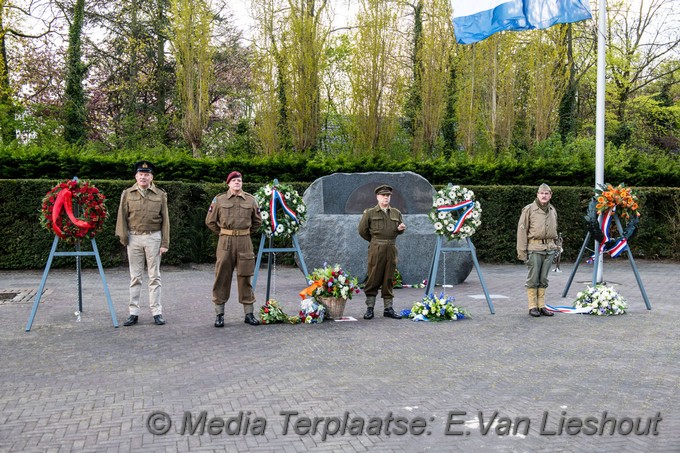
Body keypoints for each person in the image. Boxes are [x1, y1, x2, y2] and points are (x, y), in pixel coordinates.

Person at [115, 161, 170, 326]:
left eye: (147, 174)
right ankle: (133, 312)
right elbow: (122, 217)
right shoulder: (127, 193)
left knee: (155, 276)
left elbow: (166, 220)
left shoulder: (160, 194)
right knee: (135, 277)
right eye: (141, 174)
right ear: (136, 176)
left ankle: (157, 312)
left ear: (151, 177)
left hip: (154, 237)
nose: (143, 177)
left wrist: (165, 242)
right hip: (134, 238)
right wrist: (124, 238)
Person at [205, 171, 263, 327]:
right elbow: (210, 221)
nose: (237, 182)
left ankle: (249, 314)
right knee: (222, 276)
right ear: (228, 183)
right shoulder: (219, 200)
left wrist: (244, 233)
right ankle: (219, 314)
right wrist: (224, 233)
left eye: (239, 180)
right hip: (225, 242)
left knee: (245, 276)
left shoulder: (251, 200)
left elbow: (258, 222)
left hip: (245, 241)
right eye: (234, 180)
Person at [358, 184, 406, 320]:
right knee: (373, 277)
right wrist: (375, 241)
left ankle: (388, 308)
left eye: (388, 195)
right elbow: (362, 231)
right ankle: (370, 308)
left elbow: (399, 229)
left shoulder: (396, 213)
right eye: (383, 195)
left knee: (389, 278)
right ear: (377, 197)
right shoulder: (370, 213)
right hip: (376, 248)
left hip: (391, 248)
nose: (386, 197)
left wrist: (401, 229)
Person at [517, 183, 559, 317]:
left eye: (547, 193)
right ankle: (532, 306)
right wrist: (522, 252)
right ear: (537, 195)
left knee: (543, 279)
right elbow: (522, 231)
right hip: (534, 249)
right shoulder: (529, 210)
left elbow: (555, 230)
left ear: (550, 195)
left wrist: (556, 246)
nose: (544, 196)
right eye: (542, 193)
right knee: (533, 279)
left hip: (549, 249)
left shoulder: (552, 210)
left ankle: (541, 306)